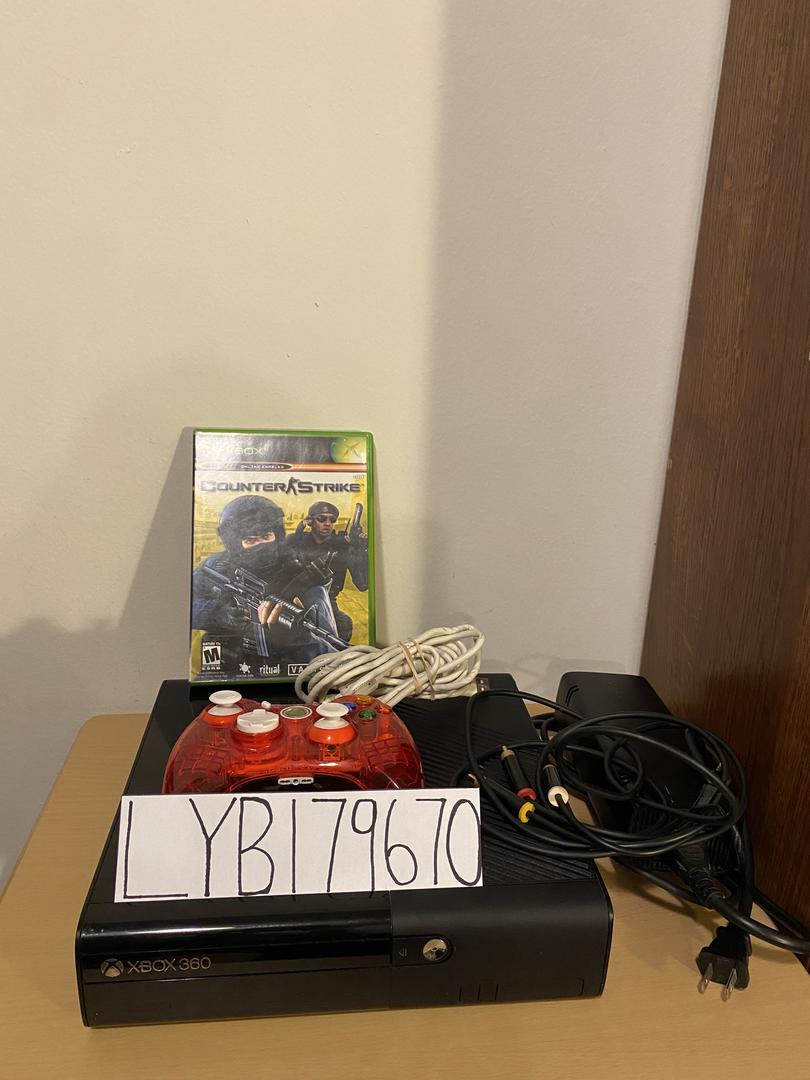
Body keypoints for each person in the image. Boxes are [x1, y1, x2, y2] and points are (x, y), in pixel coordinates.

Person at [192, 495, 339, 676]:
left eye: (266, 536)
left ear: (277, 535)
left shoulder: (301, 576)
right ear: (235, 543)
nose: (260, 545)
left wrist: (297, 638)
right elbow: (183, 607)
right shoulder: (217, 567)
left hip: (286, 671)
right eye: (250, 540)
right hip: (223, 663)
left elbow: (331, 655)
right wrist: (216, 614)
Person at [288, 500, 369, 642]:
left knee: (343, 627)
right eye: (321, 519)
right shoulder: (298, 541)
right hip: (295, 599)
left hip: (328, 602)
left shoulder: (342, 545)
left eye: (332, 520)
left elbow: (362, 584)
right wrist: (299, 531)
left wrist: (361, 550)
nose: (327, 523)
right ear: (310, 521)